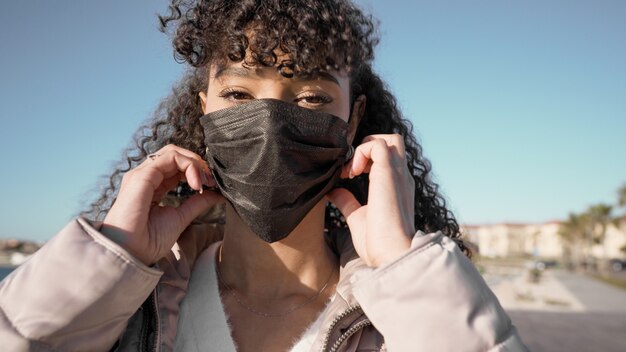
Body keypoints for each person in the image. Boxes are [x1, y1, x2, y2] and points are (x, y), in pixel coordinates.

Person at [0, 0, 528, 351]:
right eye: (237, 95)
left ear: (355, 120)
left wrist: (401, 262)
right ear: (203, 109)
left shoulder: (400, 320)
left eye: (313, 98)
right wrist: (112, 255)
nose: (270, 122)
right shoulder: (128, 311)